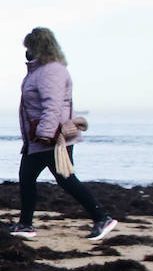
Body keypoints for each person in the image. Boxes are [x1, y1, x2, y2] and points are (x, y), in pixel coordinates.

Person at [11, 27, 117, 242]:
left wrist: (45, 133)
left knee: (65, 179)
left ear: (38, 47)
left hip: (52, 139)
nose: (27, 52)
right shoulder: (40, 71)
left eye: (29, 47)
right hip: (39, 139)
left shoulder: (51, 71)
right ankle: (25, 224)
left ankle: (102, 218)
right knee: (27, 177)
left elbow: (53, 105)